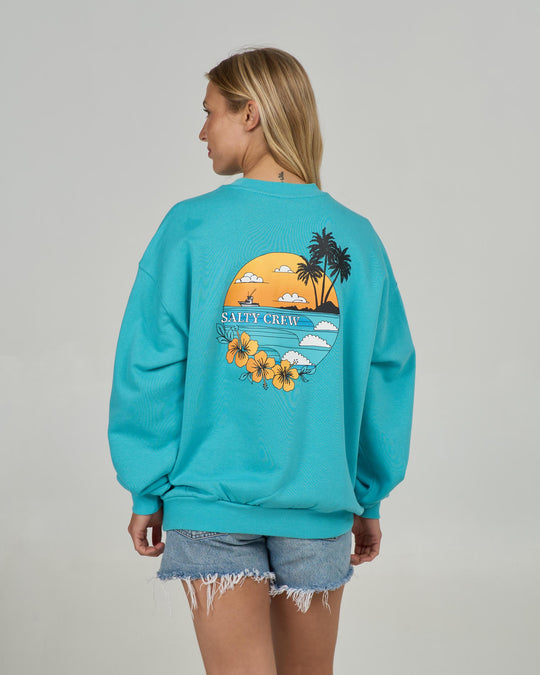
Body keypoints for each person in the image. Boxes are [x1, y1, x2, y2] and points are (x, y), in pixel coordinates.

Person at [107, 46, 416, 675]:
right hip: (318, 507)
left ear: (250, 114)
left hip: (207, 504)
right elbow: (387, 374)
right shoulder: (357, 238)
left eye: (209, 112)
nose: (201, 132)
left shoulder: (190, 227)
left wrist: (147, 484)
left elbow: (150, 365)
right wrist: (367, 495)